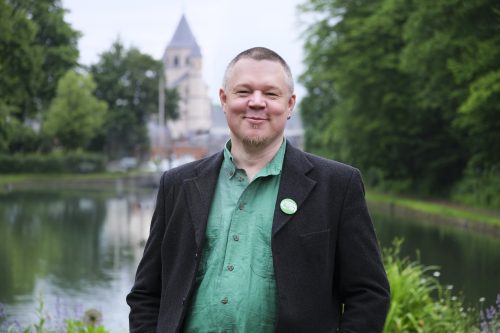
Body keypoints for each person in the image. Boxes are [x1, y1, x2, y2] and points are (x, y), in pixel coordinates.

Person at [127, 47, 390, 332]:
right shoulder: (177, 184)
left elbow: (369, 295)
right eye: (243, 92)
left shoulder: (337, 185)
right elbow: (147, 293)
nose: (256, 102)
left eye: (270, 94)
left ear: (290, 105)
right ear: (223, 100)